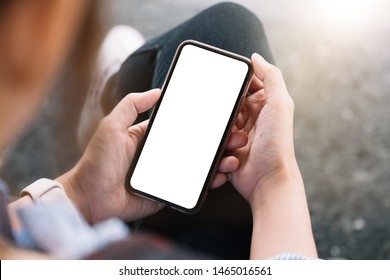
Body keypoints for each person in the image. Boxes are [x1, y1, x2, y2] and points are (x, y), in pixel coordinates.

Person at [0, 1, 317, 259]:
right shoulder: (139, 258)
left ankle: (118, 84)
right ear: (36, 28)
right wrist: (273, 180)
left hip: (82, 209)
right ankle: (119, 84)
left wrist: (78, 192)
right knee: (227, 25)